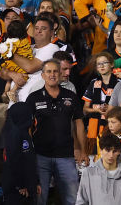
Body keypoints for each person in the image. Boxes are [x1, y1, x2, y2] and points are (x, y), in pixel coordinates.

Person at [25, 59, 87, 205]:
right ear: (42, 75)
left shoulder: (71, 96)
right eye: (48, 71)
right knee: (40, 197)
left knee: (72, 199)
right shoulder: (33, 98)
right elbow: (27, 127)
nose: (52, 75)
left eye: (55, 71)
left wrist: (83, 150)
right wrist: (29, 153)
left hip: (66, 155)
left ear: (60, 74)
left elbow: (78, 124)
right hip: (41, 155)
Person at [75, 132, 121, 205]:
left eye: (114, 151)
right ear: (101, 150)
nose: (111, 155)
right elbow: (81, 201)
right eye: (108, 150)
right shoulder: (88, 173)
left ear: (119, 152)